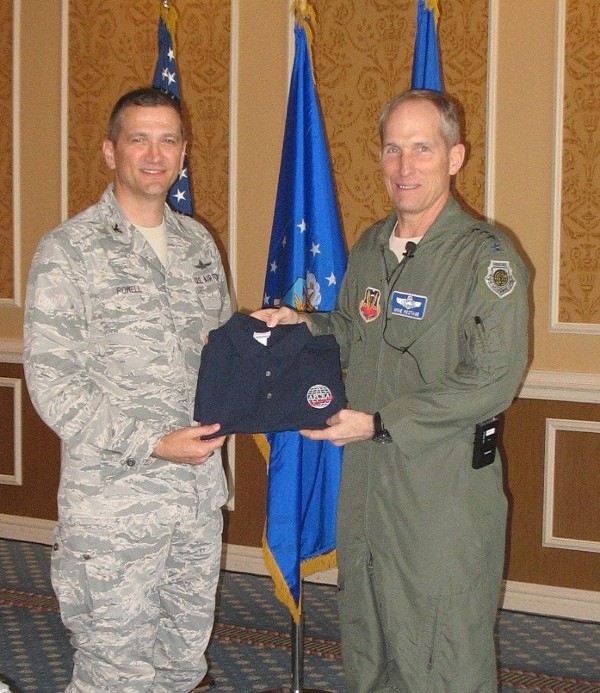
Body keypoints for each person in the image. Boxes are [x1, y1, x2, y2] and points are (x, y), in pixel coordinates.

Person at [253, 89, 529, 692]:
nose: (405, 167)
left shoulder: (486, 260)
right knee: (369, 642)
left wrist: (380, 422)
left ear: (455, 157)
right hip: (368, 493)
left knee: (442, 649)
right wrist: (307, 324)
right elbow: (352, 333)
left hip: (442, 498)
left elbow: (492, 380)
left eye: (422, 149)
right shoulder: (373, 246)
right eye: (392, 150)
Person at [23, 87, 231, 693]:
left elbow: (222, 358)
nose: (153, 153)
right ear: (111, 151)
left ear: (183, 152)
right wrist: (154, 442)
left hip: (194, 504)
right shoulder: (69, 252)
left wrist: (278, 343)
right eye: (138, 138)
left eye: (168, 139)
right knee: (114, 676)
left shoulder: (198, 246)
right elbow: (54, 384)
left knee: (181, 669)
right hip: (113, 513)